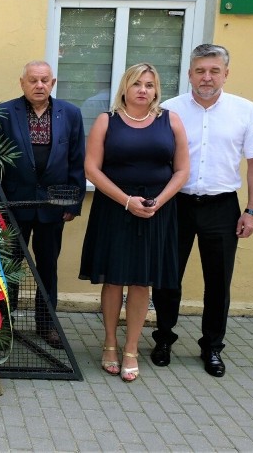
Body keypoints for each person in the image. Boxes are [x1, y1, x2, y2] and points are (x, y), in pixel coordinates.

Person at [152, 44, 253, 378]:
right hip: (176, 205)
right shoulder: (169, 110)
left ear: (226, 74)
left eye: (214, 71)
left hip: (222, 207)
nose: (207, 77)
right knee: (167, 278)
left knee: (218, 282)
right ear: (189, 73)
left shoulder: (244, 110)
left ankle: (212, 347)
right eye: (200, 70)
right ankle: (163, 339)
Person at [78, 63, 189, 382]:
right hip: (115, 209)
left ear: (157, 91)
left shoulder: (171, 121)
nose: (144, 89)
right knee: (114, 279)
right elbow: (92, 169)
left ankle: (131, 348)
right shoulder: (106, 121)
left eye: (150, 85)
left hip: (156, 210)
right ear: (125, 88)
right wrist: (127, 201)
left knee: (142, 281)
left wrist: (159, 201)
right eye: (137, 83)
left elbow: (181, 170)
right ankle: (110, 343)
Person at [0, 60, 86, 349]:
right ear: (22, 83)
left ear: (53, 83)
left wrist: (73, 201)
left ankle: (47, 325)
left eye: (44, 80)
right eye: (33, 80)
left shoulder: (70, 114)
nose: (39, 85)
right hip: (15, 205)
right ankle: (5, 324)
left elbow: (76, 160)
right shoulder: (5, 113)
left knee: (47, 267)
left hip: (53, 205)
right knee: (11, 267)